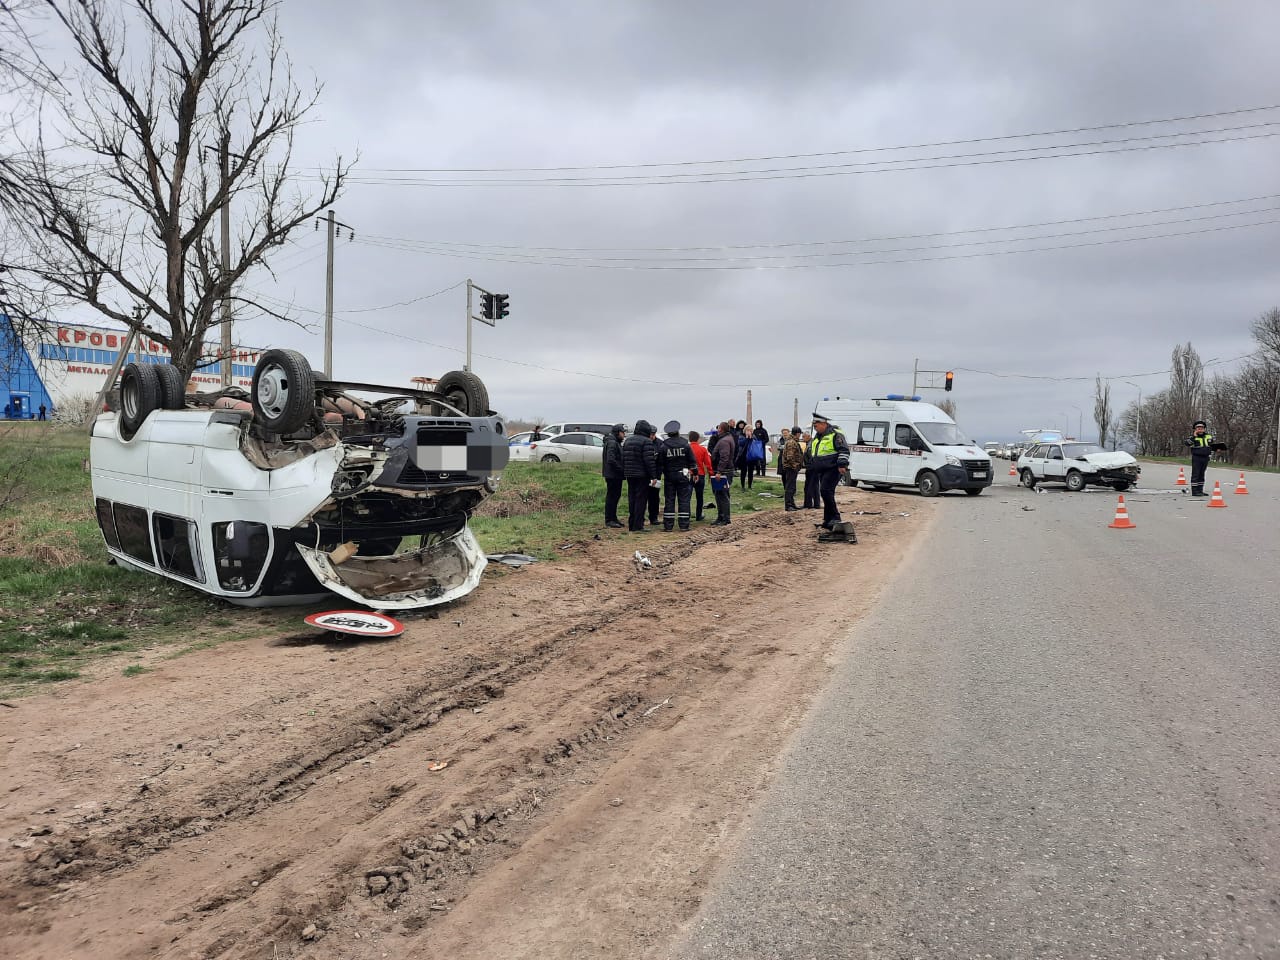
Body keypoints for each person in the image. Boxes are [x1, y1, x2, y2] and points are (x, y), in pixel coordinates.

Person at [808, 413, 850, 529]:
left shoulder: (835, 434)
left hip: (833, 468)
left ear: (824, 424)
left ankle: (836, 518)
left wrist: (842, 465)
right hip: (822, 470)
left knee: (825, 491)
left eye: (816, 425)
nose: (814, 427)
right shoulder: (817, 437)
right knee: (826, 493)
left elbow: (844, 450)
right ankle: (828, 520)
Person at [655, 420, 697, 530]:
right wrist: (695, 473)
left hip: (669, 476)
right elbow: (692, 461)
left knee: (669, 500)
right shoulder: (685, 445)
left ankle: (668, 525)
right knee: (684, 500)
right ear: (678, 431)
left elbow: (659, 463)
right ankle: (684, 525)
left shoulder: (664, 446)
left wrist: (658, 476)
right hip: (683, 475)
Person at [622, 419, 658, 531]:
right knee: (640, 500)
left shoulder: (627, 441)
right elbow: (649, 461)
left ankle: (631, 524)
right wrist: (653, 476)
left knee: (632, 498)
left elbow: (624, 458)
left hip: (630, 474)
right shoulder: (646, 442)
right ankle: (638, 525)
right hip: (642, 475)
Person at [1182, 419, 1223, 497]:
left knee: (1202, 474)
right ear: (1195, 429)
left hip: (1205, 457)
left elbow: (1211, 445)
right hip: (1197, 458)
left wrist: (1217, 449)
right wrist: (1194, 436)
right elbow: (1187, 443)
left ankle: (1200, 490)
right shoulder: (1193, 438)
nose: (1200, 429)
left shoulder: (1208, 436)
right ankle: (1195, 491)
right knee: (1196, 474)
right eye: (1198, 428)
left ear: (1204, 429)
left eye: (1202, 428)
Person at [710, 421, 737, 525]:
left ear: (721, 429)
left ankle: (725, 518)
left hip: (724, 472)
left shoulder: (724, 441)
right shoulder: (727, 438)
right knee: (718, 494)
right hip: (723, 471)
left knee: (723, 494)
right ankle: (720, 517)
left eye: (718, 429)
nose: (717, 430)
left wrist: (719, 471)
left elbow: (724, 457)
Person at [601, 423, 626, 527]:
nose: (624, 435)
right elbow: (611, 460)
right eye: (623, 432)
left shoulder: (615, 442)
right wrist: (621, 469)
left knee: (615, 496)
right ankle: (609, 520)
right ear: (618, 432)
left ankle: (613, 518)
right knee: (612, 497)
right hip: (613, 475)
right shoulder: (612, 443)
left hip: (615, 475)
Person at [689, 430, 712, 521]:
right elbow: (707, 463)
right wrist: (710, 474)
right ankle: (699, 515)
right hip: (700, 474)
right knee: (699, 496)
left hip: (689, 474)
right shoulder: (702, 449)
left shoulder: (687, 448)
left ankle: (686, 514)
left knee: (687, 497)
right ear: (698, 439)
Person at [780, 426, 805, 511]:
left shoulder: (792, 441)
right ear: (797, 434)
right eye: (799, 434)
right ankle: (788, 505)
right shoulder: (791, 442)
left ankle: (792, 504)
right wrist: (795, 466)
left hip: (791, 467)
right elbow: (790, 457)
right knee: (790, 487)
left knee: (792, 487)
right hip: (790, 468)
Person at [646, 423, 662, 525]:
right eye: (650, 434)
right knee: (643, 496)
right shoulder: (645, 442)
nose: (652, 436)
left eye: (653, 434)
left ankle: (654, 517)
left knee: (655, 497)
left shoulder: (660, 443)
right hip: (645, 474)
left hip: (656, 474)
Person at [801, 430, 818, 509]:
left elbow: (811, 457)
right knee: (814, 486)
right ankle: (815, 504)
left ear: (808, 436)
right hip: (812, 468)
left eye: (804, 436)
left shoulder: (811, 444)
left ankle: (808, 504)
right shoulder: (809, 443)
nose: (802, 438)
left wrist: (809, 465)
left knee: (809, 486)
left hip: (812, 468)